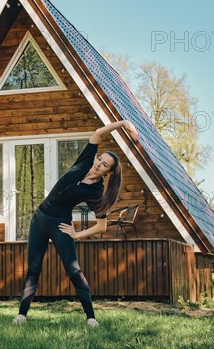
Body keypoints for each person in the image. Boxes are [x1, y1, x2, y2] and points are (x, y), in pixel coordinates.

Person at [13, 120, 139, 327]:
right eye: (100, 159)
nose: (99, 164)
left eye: (104, 165)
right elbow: (98, 132)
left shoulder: (96, 192)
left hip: (60, 224)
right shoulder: (84, 162)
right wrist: (124, 123)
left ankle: (91, 318)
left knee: (73, 270)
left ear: (108, 173)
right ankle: (21, 315)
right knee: (33, 269)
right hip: (39, 219)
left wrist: (76, 234)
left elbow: (102, 226)